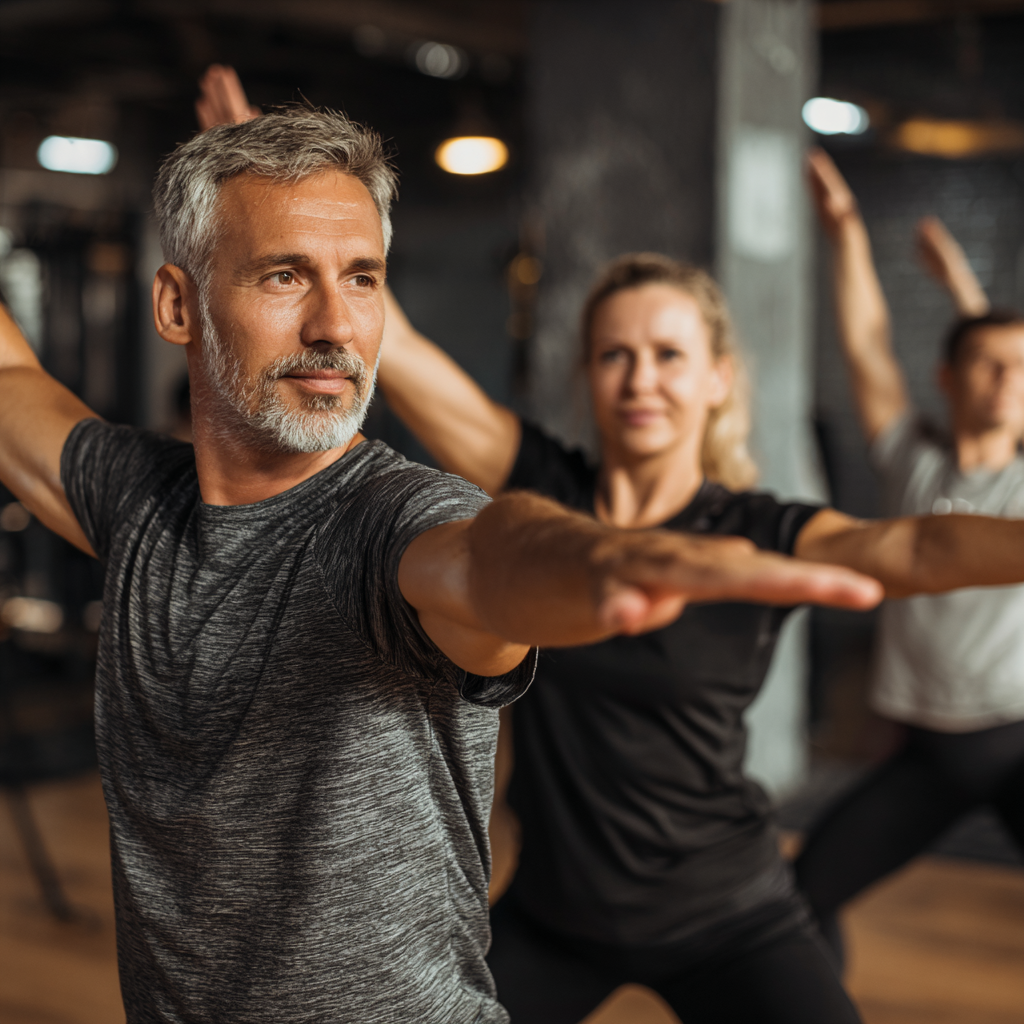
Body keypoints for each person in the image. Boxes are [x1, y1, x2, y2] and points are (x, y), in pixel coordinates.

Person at [0, 104, 888, 1024]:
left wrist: (595, 562)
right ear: (179, 305)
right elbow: (9, 382)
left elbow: (489, 559)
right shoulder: (136, 501)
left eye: (362, 278)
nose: (335, 325)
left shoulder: (396, 519)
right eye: (283, 276)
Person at [374, 246, 1024, 1024]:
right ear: (588, 372)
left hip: (725, 914)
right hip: (554, 915)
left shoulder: (759, 531)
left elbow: (916, 548)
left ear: (718, 377)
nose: (641, 380)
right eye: (616, 355)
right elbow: (398, 345)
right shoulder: (540, 496)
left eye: (669, 356)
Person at [794, 148, 1024, 964]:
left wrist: (968, 294)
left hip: (1014, 740)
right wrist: (849, 231)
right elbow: (866, 342)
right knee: (806, 892)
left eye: (1022, 370)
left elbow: (998, 362)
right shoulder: (914, 463)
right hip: (927, 749)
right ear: (949, 378)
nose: (1007, 382)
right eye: (989, 367)